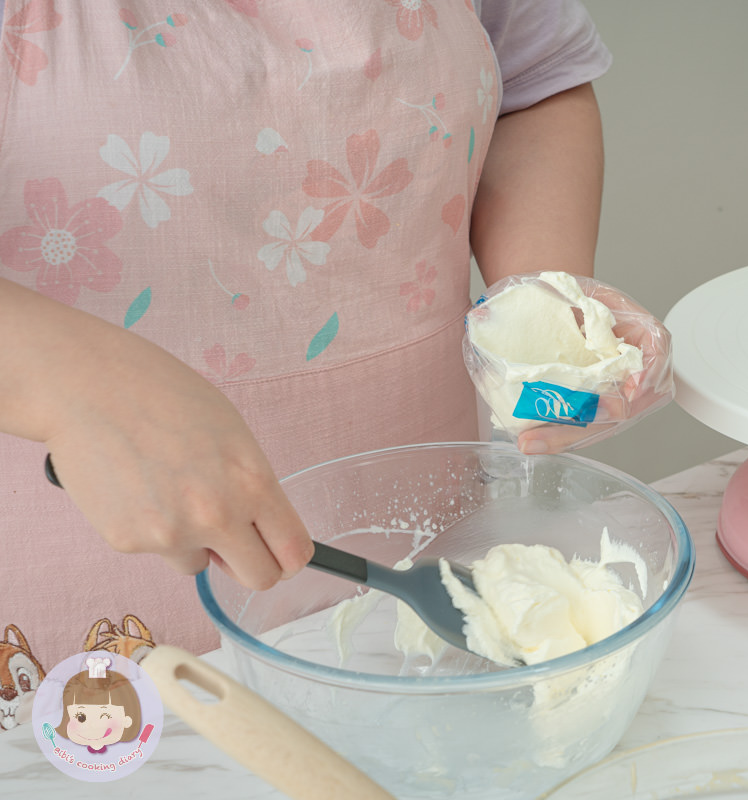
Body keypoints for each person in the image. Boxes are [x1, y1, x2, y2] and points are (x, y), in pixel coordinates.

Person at [0, 0, 653, 672]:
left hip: (421, 534)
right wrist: (77, 390)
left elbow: (533, 85)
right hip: (75, 599)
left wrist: (545, 314)